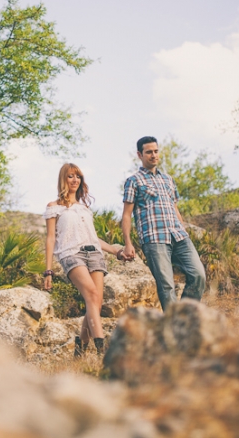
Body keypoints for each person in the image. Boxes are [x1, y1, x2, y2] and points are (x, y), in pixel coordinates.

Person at [43, 163, 124, 357]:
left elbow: (93, 237)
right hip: (71, 254)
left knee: (96, 301)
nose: (75, 180)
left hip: (94, 253)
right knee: (90, 293)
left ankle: (81, 347)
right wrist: (48, 271)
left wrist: (114, 250)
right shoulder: (54, 207)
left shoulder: (84, 208)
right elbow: (50, 238)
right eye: (70, 176)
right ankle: (102, 350)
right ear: (63, 179)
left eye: (78, 177)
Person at [120, 136, 206, 311]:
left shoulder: (168, 179)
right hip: (154, 239)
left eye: (156, 151)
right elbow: (127, 215)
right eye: (149, 152)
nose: (153, 155)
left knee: (198, 275)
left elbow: (174, 208)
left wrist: (183, 230)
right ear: (140, 154)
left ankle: (183, 317)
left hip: (179, 236)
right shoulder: (133, 181)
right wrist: (128, 243)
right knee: (166, 286)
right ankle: (175, 329)